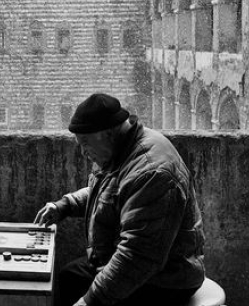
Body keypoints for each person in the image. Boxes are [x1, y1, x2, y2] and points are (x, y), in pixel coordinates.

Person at [34, 93, 205, 306]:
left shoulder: (152, 171)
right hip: (138, 264)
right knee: (71, 277)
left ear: (108, 133)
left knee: (81, 288)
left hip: (164, 280)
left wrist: (90, 301)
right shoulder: (120, 150)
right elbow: (106, 192)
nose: (83, 151)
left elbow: (137, 259)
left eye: (85, 143)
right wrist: (65, 206)